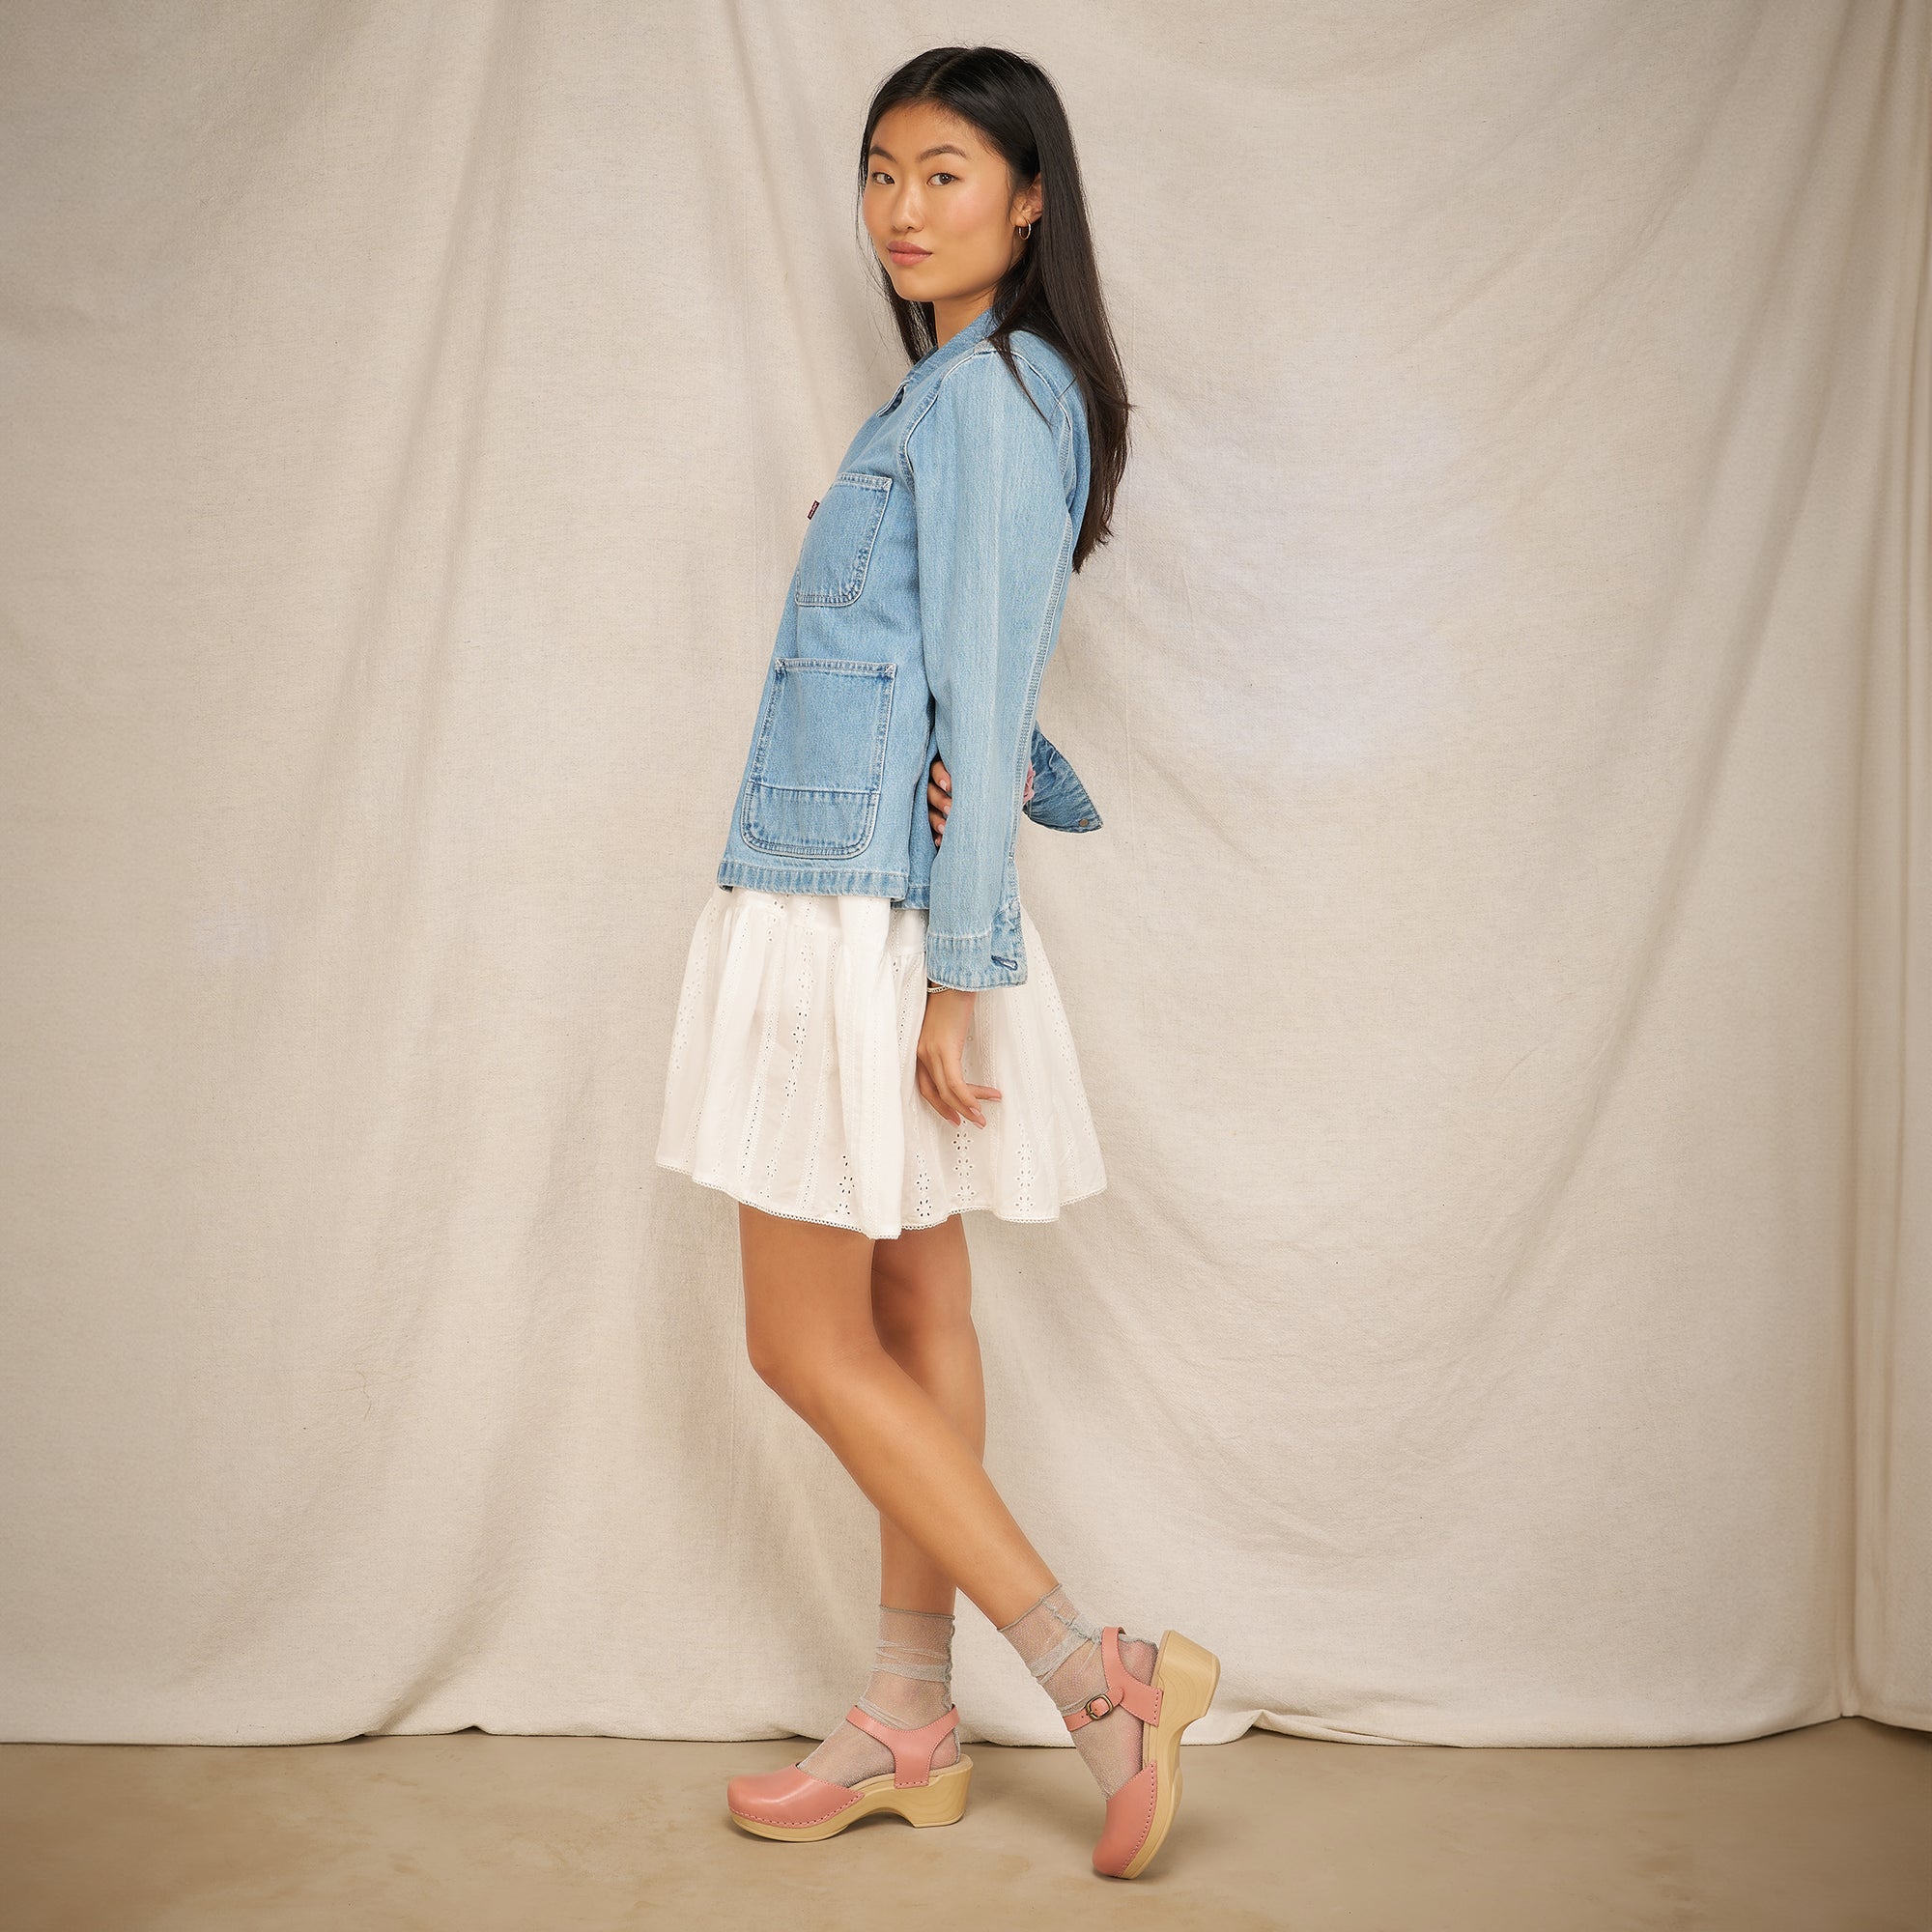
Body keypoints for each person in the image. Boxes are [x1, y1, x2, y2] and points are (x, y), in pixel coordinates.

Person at [655, 45, 1218, 1881]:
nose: (903, 209)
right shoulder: (987, 394)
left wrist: (956, 972)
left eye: (948, 176)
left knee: (799, 1340)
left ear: (1031, 198)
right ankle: (908, 1714)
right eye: (883, 173)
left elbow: (984, 686)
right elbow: (964, 690)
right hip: (874, 895)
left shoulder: (983, 397)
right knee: (911, 1315)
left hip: (861, 917)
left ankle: (1094, 1677)